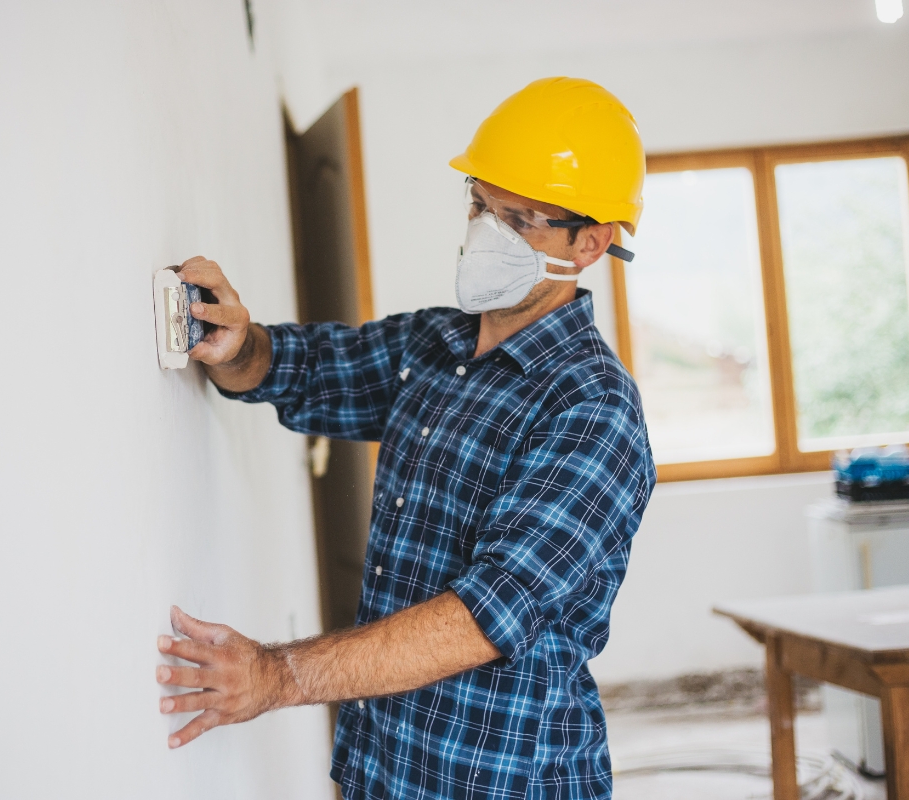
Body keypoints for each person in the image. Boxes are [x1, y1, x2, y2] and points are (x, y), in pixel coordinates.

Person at [155, 77, 655, 800]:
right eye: (480, 205)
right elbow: (303, 369)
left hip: (502, 780)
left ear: (591, 242)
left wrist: (278, 674)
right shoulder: (436, 343)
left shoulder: (593, 409)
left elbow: (484, 617)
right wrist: (236, 345)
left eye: (520, 218)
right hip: (389, 765)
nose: (489, 232)